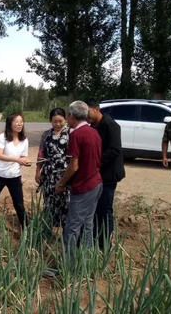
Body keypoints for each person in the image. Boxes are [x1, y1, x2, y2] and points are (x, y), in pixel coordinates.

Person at [55, 101, 102, 259]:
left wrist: (61, 183)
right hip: (96, 183)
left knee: (72, 227)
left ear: (70, 116)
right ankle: (87, 261)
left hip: (84, 187)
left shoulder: (76, 134)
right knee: (88, 224)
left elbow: (74, 166)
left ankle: (66, 266)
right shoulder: (93, 132)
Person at [86, 99, 125, 251]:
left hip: (108, 174)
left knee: (105, 209)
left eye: (88, 112)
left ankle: (105, 244)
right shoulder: (93, 125)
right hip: (97, 174)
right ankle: (96, 240)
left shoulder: (110, 125)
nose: (86, 116)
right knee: (96, 209)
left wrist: (95, 163)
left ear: (96, 109)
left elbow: (114, 150)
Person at [35, 108, 70, 229]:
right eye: (55, 121)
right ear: (51, 121)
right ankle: (48, 230)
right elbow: (41, 154)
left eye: (60, 121)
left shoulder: (70, 134)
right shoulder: (46, 135)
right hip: (49, 174)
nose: (58, 124)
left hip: (65, 175)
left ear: (65, 119)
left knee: (66, 203)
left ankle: (66, 234)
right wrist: (37, 171)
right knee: (49, 203)